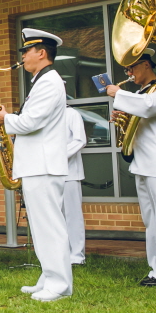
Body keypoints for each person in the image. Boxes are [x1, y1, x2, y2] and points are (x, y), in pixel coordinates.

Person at [0, 28, 72, 302]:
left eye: (27, 51)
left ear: (42, 53)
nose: (23, 56)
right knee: (40, 228)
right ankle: (48, 278)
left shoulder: (49, 82)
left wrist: (5, 119)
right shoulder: (42, 80)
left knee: (49, 227)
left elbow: (31, 122)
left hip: (43, 165)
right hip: (38, 164)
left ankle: (59, 285)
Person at [106, 46, 156, 286]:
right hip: (142, 163)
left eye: (131, 67)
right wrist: (123, 119)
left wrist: (119, 94)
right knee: (151, 221)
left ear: (146, 64)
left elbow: (148, 107)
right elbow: (141, 114)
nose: (129, 73)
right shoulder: (141, 93)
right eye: (126, 69)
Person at [62, 106, 87, 265]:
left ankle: (77, 256)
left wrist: (58, 156)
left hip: (70, 173)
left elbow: (80, 140)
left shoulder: (72, 114)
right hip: (50, 173)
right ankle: (62, 254)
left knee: (73, 216)